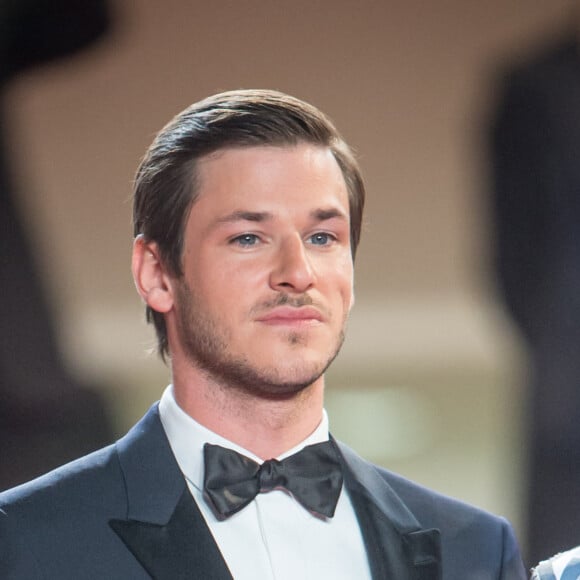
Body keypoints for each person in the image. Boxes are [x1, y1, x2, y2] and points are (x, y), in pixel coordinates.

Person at [0, 89, 526, 579]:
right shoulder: (24, 539)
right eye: (248, 237)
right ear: (157, 274)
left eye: (323, 237)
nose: (298, 272)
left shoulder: (476, 550)